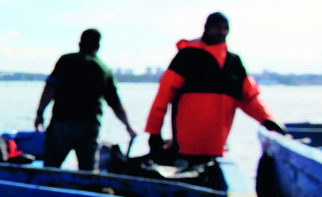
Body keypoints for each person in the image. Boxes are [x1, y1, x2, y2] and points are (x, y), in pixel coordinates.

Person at [145, 12, 284, 160]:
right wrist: (154, 132)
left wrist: (267, 119)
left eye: (225, 28)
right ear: (207, 28)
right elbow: (163, 96)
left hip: (217, 148)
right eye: (218, 27)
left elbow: (250, 98)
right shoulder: (186, 56)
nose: (222, 32)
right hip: (185, 148)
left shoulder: (234, 62)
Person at [34, 29, 136, 170]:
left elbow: (50, 88)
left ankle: (48, 190)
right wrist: (128, 126)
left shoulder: (66, 61)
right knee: (87, 171)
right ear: (98, 46)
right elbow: (115, 104)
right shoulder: (104, 69)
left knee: (51, 167)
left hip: (63, 123)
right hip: (90, 125)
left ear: (80, 44)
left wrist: (40, 113)